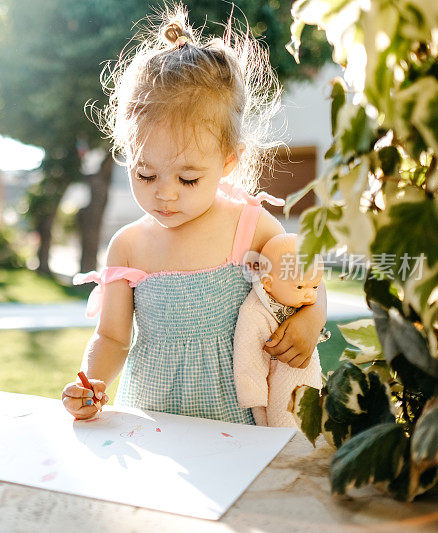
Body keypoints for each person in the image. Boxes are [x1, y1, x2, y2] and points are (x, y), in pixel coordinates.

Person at [61, 7, 327, 422]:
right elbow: (112, 336)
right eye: (145, 173)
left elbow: (309, 278)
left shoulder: (249, 226)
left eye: (187, 179)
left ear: (227, 161)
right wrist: (91, 383)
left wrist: (312, 319)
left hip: (235, 419)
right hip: (154, 420)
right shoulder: (128, 246)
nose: (165, 194)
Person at [233, 234, 326, 427]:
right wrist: (253, 395)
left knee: (313, 422)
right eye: (300, 286)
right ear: (268, 283)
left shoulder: (295, 301)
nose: (310, 294)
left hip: (309, 379)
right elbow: (248, 356)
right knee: (286, 429)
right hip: (280, 388)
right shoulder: (257, 312)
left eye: (315, 285)